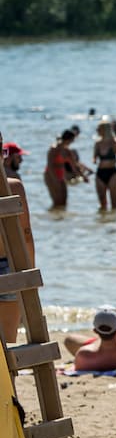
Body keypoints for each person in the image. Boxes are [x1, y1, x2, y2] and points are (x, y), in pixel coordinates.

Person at [0, 131, 34, 343]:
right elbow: (26, 235)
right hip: (8, 270)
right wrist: (30, 275)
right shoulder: (15, 187)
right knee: (7, 345)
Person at [92, 119, 116, 211]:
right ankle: (103, 221)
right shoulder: (97, 143)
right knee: (102, 204)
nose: (97, 131)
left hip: (112, 172)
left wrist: (112, 160)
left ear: (104, 129)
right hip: (100, 173)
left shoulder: (115, 142)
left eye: (99, 129)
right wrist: (95, 161)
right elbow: (94, 158)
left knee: (114, 204)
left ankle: (114, 223)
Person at [43, 129, 79, 208]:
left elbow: (73, 164)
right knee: (57, 201)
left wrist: (81, 175)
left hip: (61, 175)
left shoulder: (67, 150)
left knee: (64, 201)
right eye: (72, 140)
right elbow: (50, 166)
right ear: (68, 139)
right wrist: (55, 179)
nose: (73, 142)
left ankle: (61, 218)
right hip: (50, 175)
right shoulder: (54, 149)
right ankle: (55, 218)